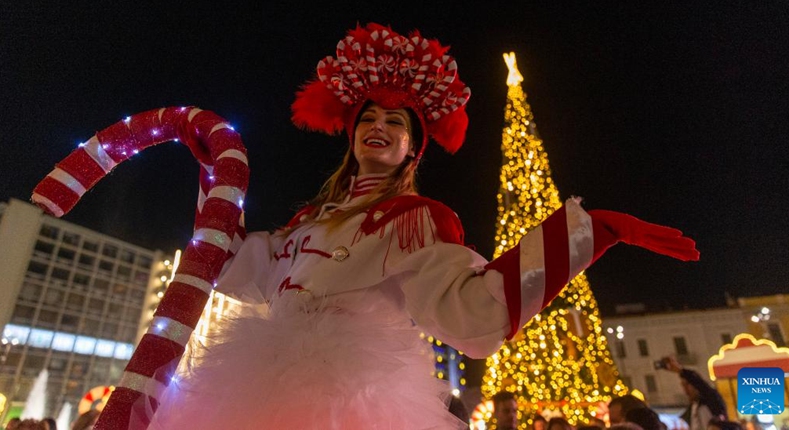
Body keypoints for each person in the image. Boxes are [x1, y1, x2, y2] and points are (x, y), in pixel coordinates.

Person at [143, 23, 699, 429]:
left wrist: (589, 232)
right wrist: (211, 173)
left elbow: (475, 316)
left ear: (413, 148)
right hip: (250, 388)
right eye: (369, 119)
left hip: (352, 403)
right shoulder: (304, 223)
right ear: (352, 136)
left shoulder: (419, 222)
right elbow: (227, 266)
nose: (378, 127)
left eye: (395, 122)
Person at [658, 356, 726, 430]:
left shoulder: (711, 400)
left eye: (687, 385)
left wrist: (680, 370)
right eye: (683, 386)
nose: (685, 389)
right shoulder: (693, 407)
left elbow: (700, 384)